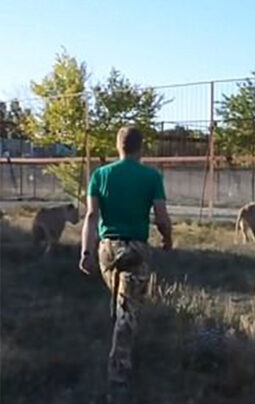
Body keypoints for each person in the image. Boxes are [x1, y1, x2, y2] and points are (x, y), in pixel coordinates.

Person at [79, 125, 173, 403]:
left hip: (107, 249)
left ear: (118, 146)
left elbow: (91, 217)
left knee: (118, 302)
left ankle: (117, 348)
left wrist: (86, 251)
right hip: (135, 249)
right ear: (140, 148)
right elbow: (161, 216)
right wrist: (167, 238)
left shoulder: (100, 175)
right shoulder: (151, 177)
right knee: (128, 311)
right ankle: (118, 378)